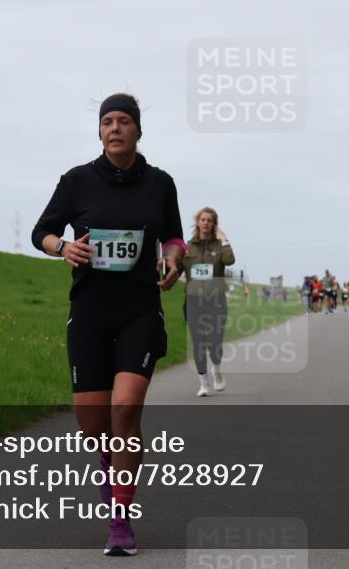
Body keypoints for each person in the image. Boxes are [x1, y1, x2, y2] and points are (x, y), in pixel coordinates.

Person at [31, 93, 186, 557]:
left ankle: (120, 520)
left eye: (123, 121)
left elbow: (174, 236)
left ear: (138, 130)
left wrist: (174, 259)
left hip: (140, 309)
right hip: (90, 313)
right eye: (107, 122)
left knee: (125, 410)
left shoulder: (160, 183)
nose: (114, 128)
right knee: (93, 423)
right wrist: (63, 248)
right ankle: (109, 460)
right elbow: (42, 231)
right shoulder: (77, 181)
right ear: (99, 132)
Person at [181, 207, 235, 397]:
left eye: (210, 220)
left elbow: (230, 261)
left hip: (216, 300)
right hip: (194, 301)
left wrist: (224, 239)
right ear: (198, 222)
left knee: (215, 341)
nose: (206, 223)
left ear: (214, 224)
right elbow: (175, 269)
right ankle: (203, 383)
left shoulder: (219, 246)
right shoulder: (187, 247)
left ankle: (217, 369)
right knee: (198, 343)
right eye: (203, 219)